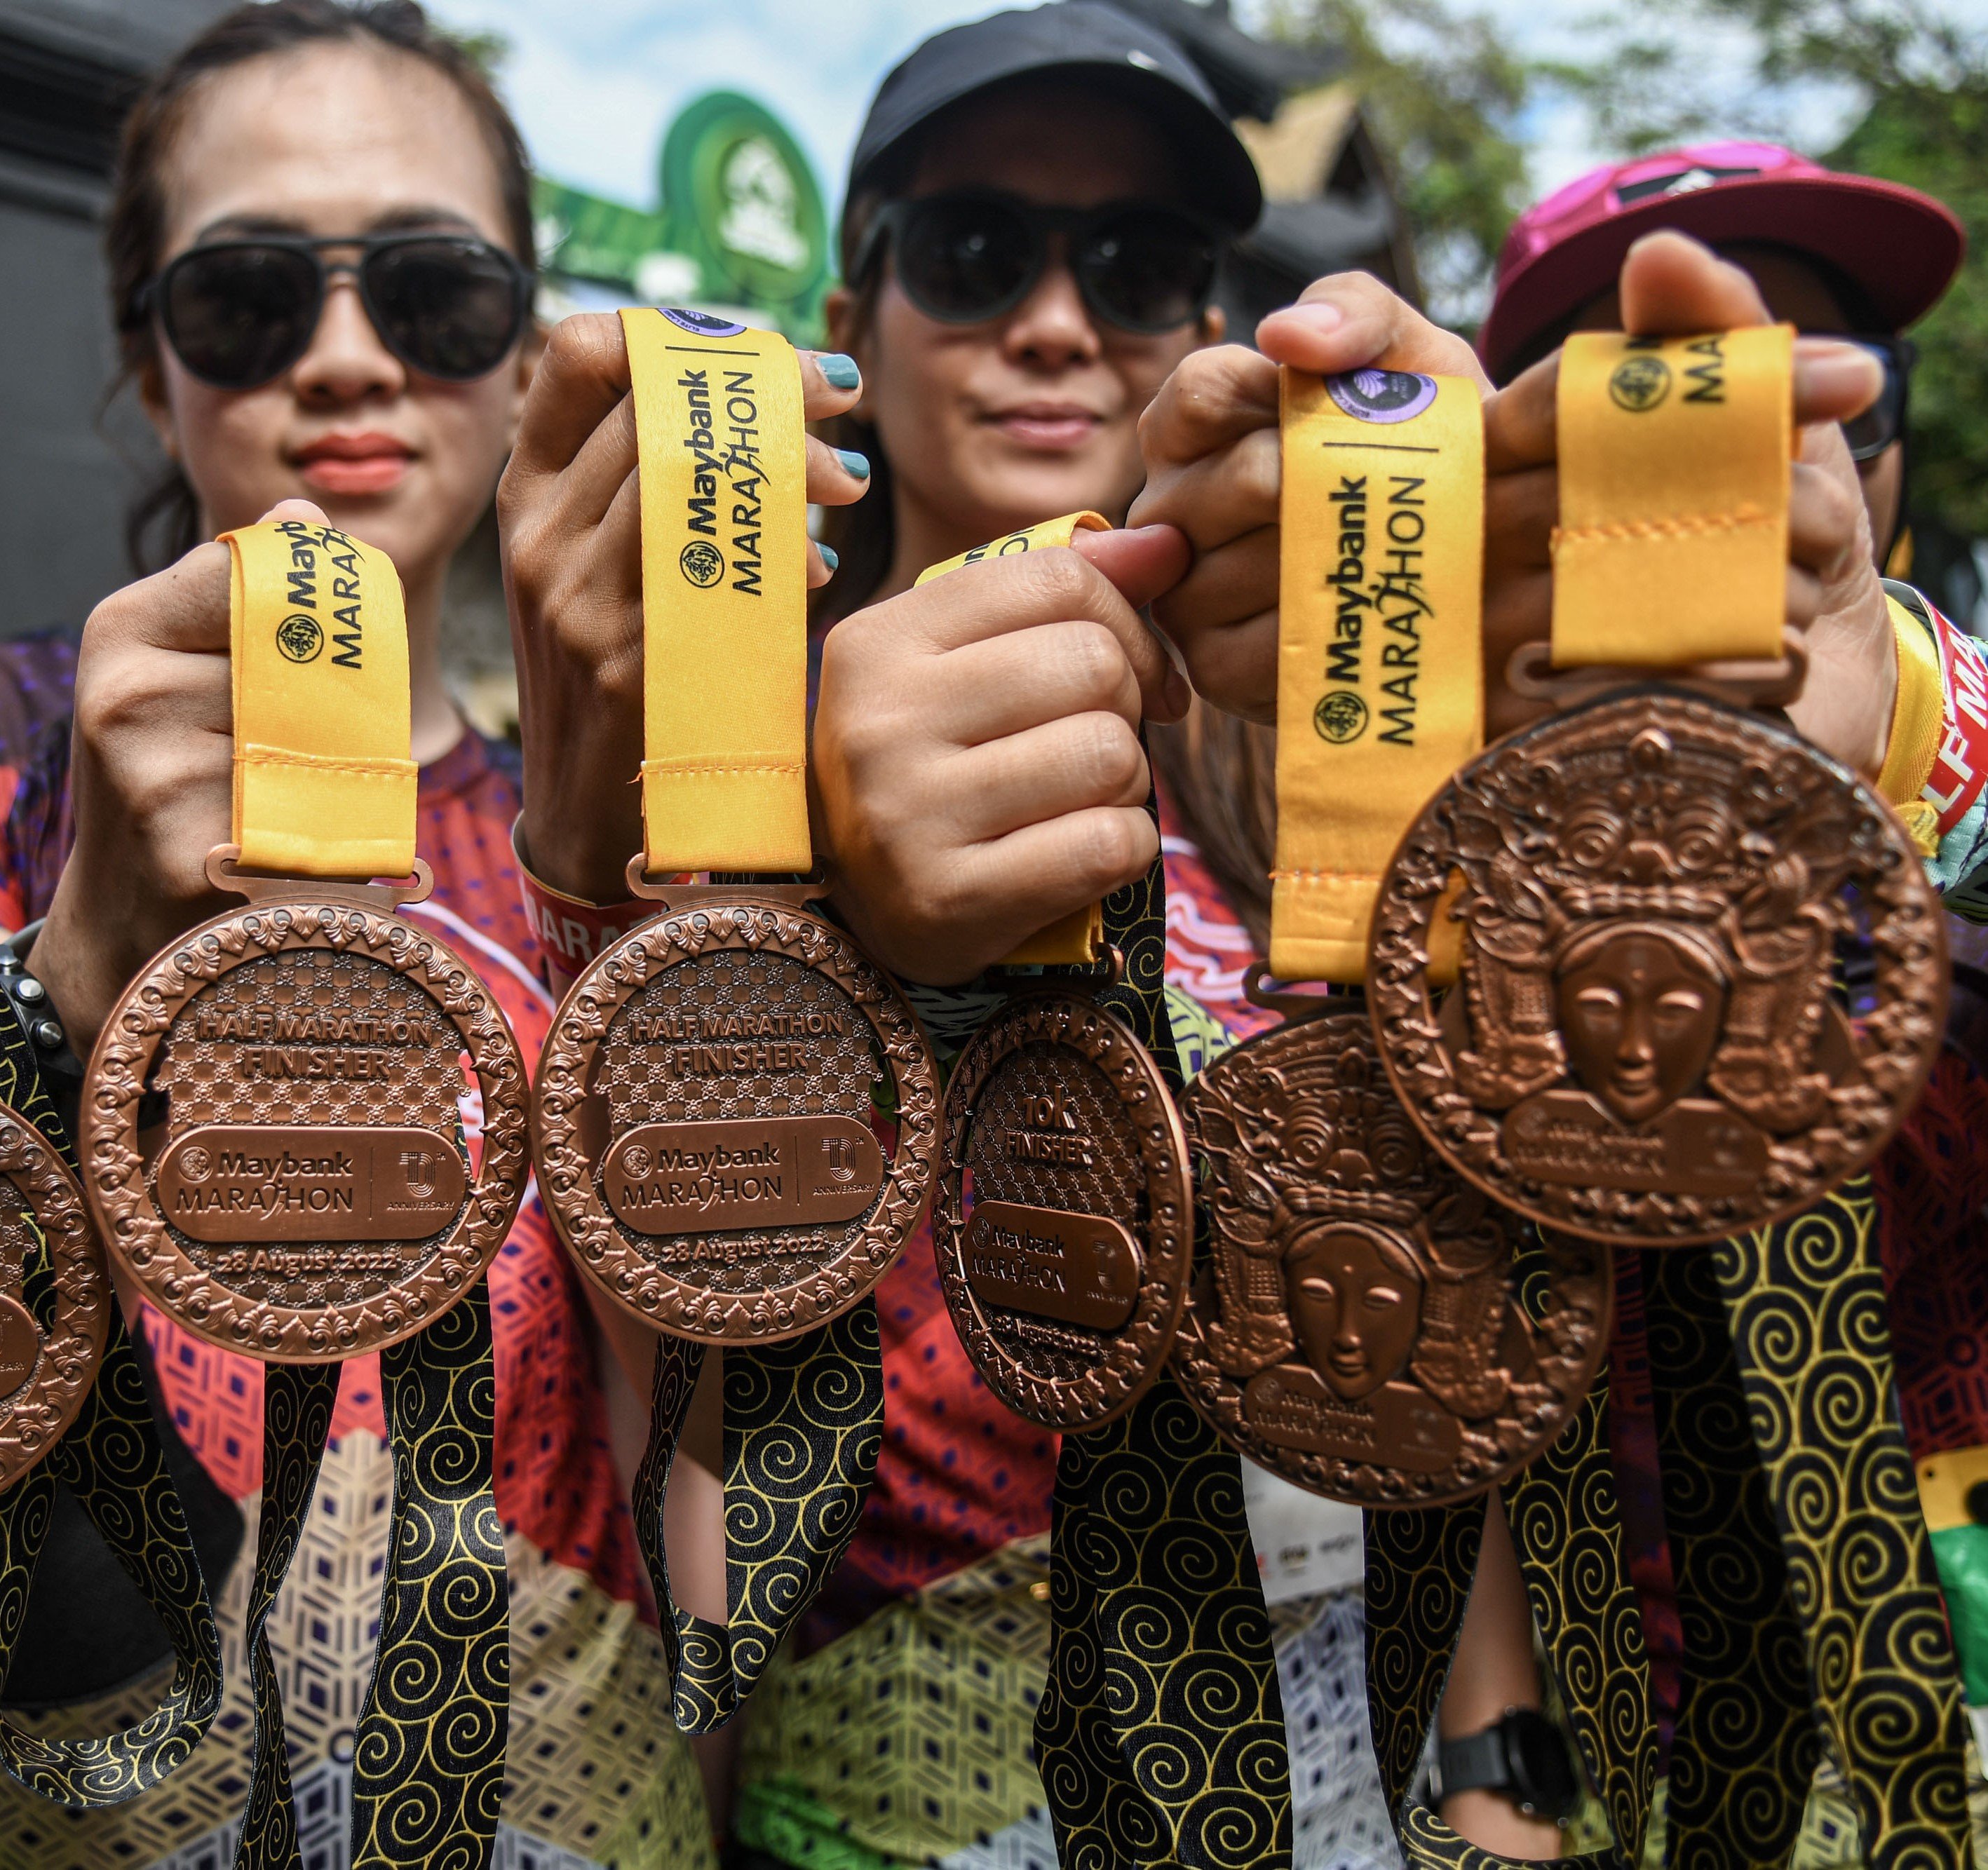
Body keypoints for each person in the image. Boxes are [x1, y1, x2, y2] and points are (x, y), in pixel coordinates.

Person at [501, 6, 1548, 1862]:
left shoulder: (1324, 756)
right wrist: (699, 880)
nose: (1057, 321)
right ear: (850, 313)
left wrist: (1492, 1776)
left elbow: (1444, 1313)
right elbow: (686, 1472)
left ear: (1213, 332)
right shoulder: (706, 789)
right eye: (977, 250)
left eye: (1138, 266)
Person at [0, 4, 849, 1864]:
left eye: (432, 291)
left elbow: (704, 1473)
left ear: (517, 353)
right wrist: (75, 986)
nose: (345, 359)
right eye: (247, 297)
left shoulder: (648, 838)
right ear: (150, 368)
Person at [1478, 142, 1988, 1821]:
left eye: (1810, 371)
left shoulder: (1957, 740)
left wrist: (1855, 782)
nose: (1748, 439)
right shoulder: (1419, 834)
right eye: (1652, 386)